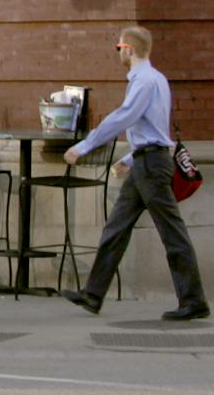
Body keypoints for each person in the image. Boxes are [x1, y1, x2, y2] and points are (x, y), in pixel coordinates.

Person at [61, 25, 208, 321]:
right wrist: (129, 158)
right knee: (116, 228)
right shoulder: (157, 80)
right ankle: (93, 294)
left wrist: (85, 146)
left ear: (128, 49)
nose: (118, 54)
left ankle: (193, 300)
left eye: (118, 49)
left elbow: (126, 115)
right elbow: (153, 127)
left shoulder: (143, 81)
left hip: (151, 166)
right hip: (145, 162)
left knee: (172, 232)